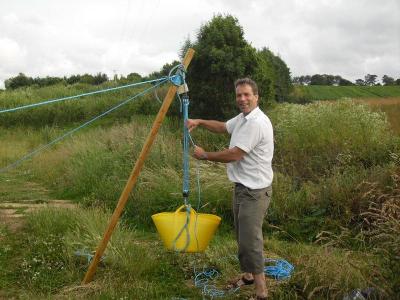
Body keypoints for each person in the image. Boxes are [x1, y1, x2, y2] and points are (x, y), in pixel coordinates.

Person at [187, 78, 274, 300]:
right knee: (241, 235)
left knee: (251, 240)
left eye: (247, 95)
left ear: (256, 97)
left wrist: (205, 155)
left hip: (255, 191)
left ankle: (262, 292)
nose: (242, 99)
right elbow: (224, 127)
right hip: (242, 188)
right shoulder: (244, 118)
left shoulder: (256, 123)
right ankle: (248, 276)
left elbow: (235, 153)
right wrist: (199, 121)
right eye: (239, 95)